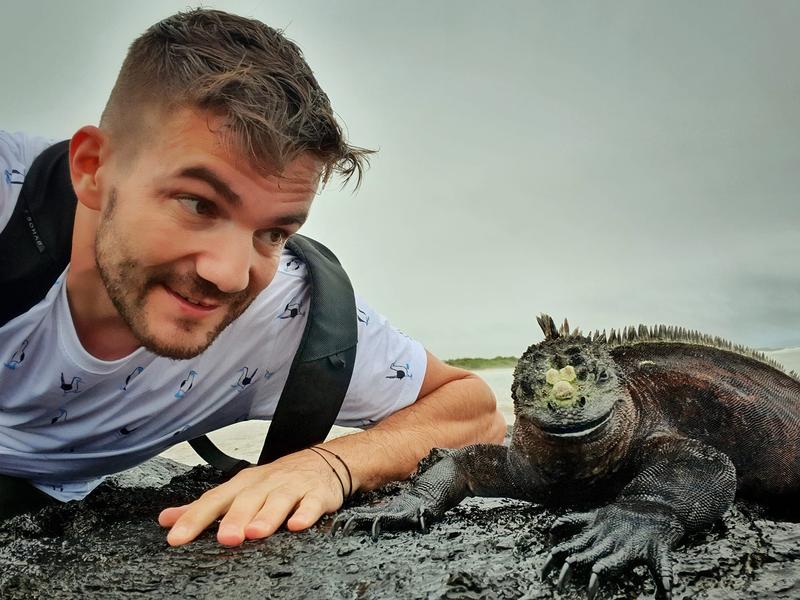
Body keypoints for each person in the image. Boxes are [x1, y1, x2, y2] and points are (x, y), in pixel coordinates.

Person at [0, 8, 506, 547]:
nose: (228, 275)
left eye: (273, 232)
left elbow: (474, 410)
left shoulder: (287, 312)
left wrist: (329, 465)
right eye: (198, 204)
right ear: (92, 168)